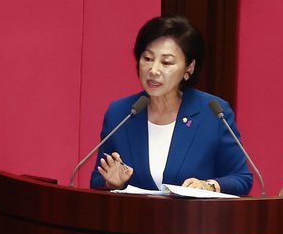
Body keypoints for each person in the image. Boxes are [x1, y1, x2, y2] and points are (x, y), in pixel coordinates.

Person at [90, 15, 252, 195]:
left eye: (166, 62)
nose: (153, 70)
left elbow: (242, 177)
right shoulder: (121, 113)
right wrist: (112, 182)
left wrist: (209, 185)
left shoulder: (212, 112)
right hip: (132, 221)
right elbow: (97, 179)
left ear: (189, 68)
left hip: (194, 221)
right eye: (148, 58)